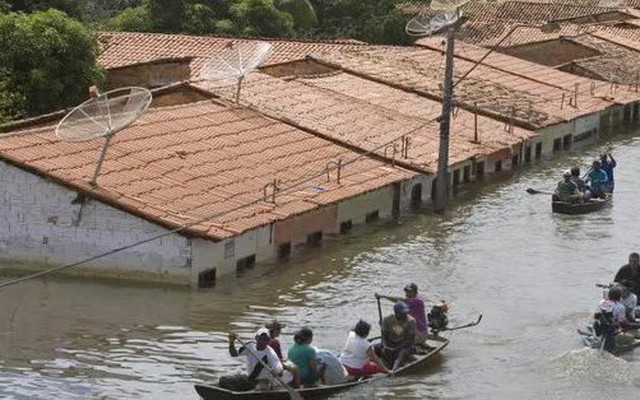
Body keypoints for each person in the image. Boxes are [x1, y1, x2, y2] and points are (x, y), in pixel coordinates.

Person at [219, 328, 285, 391]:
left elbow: (280, 371)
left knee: (258, 390)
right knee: (223, 380)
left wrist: (276, 372)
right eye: (260, 338)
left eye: (265, 339)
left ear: (268, 341)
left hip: (263, 381)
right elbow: (234, 354)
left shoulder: (270, 354)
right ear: (256, 338)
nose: (262, 341)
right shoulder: (250, 345)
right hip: (249, 379)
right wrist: (231, 342)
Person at [375, 301, 417, 370]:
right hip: (391, 342)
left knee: (401, 353)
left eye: (406, 312)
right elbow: (383, 335)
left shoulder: (411, 321)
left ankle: (394, 370)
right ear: (396, 312)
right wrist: (384, 345)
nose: (405, 315)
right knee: (375, 348)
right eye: (402, 313)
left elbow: (410, 340)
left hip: (404, 345)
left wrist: (395, 349)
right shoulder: (387, 319)